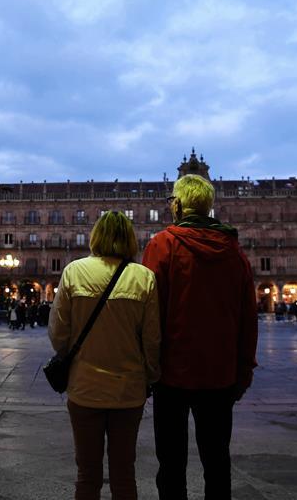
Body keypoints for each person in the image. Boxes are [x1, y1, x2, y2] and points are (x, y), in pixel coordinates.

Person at [142, 174, 258, 500]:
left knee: (171, 465)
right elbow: (249, 318)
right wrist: (244, 372)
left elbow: (148, 314)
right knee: (218, 461)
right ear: (209, 206)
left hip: (170, 375)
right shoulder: (234, 252)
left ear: (177, 205)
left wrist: (147, 368)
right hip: (220, 375)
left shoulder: (161, 245)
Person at [49, 210, 161, 500]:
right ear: (130, 239)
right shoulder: (144, 277)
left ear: (95, 236)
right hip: (129, 391)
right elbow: (152, 340)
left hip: (84, 388)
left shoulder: (74, 271)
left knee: (87, 475)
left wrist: (72, 357)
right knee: (125, 474)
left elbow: (58, 333)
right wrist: (149, 376)